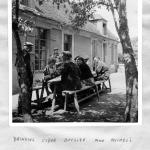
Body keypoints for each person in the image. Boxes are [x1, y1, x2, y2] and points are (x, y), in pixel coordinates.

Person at [17, 42, 34, 116]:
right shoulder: (25, 54)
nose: (32, 49)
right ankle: (24, 111)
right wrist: (26, 76)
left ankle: (21, 110)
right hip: (25, 77)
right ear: (27, 47)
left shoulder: (23, 53)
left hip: (24, 76)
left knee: (23, 93)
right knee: (24, 93)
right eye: (31, 47)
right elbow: (22, 66)